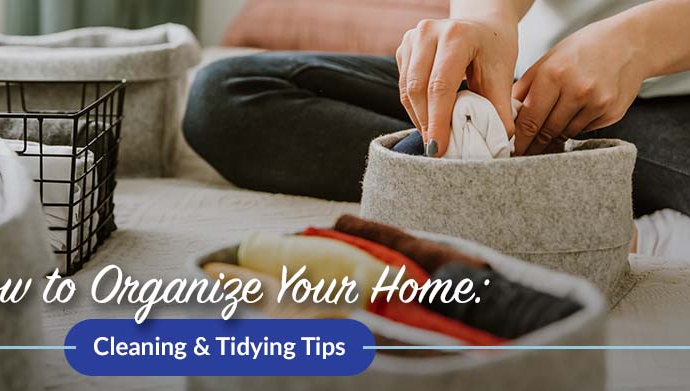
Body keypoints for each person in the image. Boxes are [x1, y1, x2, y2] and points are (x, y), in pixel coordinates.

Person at [184, 0, 690, 260]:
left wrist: (640, 41)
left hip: (674, 101)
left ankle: (477, 196)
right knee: (226, 96)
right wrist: (484, 23)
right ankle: (558, 208)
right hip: (519, 83)